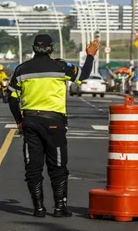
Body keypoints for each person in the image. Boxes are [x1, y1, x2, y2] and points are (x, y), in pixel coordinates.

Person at [7, 34, 99, 218]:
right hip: (54, 123)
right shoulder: (61, 67)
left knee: (33, 167)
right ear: (51, 49)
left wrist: (19, 120)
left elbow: (11, 98)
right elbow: (84, 75)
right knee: (57, 166)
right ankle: (59, 207)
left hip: (30, 121)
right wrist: (90, 55)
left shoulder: (21, 70)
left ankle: (38, 208)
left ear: (33, 48)